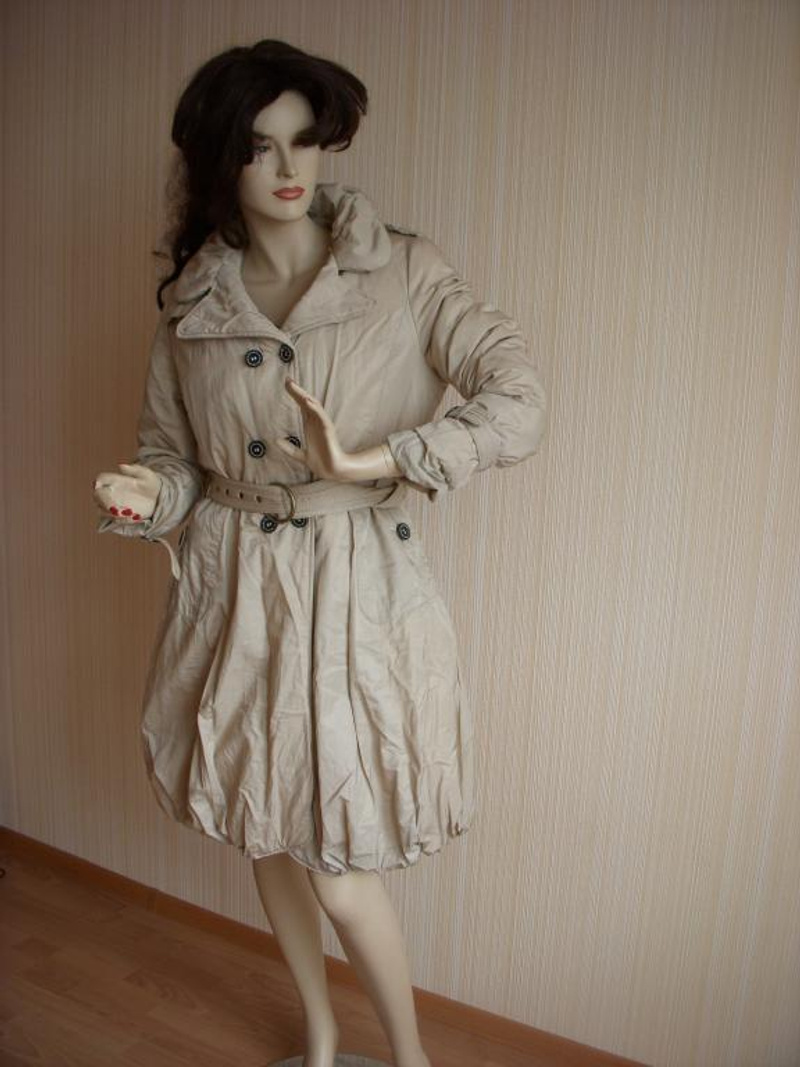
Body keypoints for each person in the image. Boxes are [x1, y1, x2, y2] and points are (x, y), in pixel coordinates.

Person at [92, 38, 547, 1067]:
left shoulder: (405, 273)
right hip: (237, 592)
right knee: (268, 835)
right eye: (259, 146)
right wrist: (145, 494)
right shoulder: (194, 303)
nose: (288, 166)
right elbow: (171, 456)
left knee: (340, 866)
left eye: (304, 140)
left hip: (354, 586)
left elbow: (518, 401)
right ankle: (324, 1039)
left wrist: (380, 455)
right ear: (222, 160)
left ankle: (412, 1058)